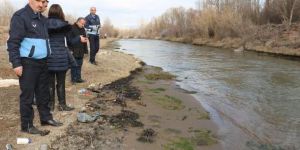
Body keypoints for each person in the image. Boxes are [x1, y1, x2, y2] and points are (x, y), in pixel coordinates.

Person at [7, 0, 62, 135]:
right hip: (28, 63)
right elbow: (13, 42)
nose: (42, 4)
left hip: (43, 62)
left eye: (45, 2)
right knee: (28, 96)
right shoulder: (20, 16)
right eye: (40, 1)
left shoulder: (42, 19)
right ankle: (27, 125)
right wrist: (16, 63)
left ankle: (46, 118)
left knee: (43, 93)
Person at [47, 4, 87, 111]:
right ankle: (62, 105)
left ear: (50, 12)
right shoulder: (65, 26)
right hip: (61, 57)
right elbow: (70, 42)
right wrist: (79, 38)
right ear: (61, 13)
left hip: (48, 57)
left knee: (49, 84)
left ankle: (50, 106)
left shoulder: (43, 24)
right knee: (61, 83)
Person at [69, 17, 88, 83]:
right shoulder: (71, 28)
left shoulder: (83, 29)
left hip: (81, 50)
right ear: (78, 22)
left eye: (84, 24)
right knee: (74, 65)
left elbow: (85, 39)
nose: (83, 25)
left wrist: (85, 50)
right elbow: (70, 41)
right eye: (82, 24)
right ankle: (73, 79)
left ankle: (78, 78)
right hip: (74, 50)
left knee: (80, 65)